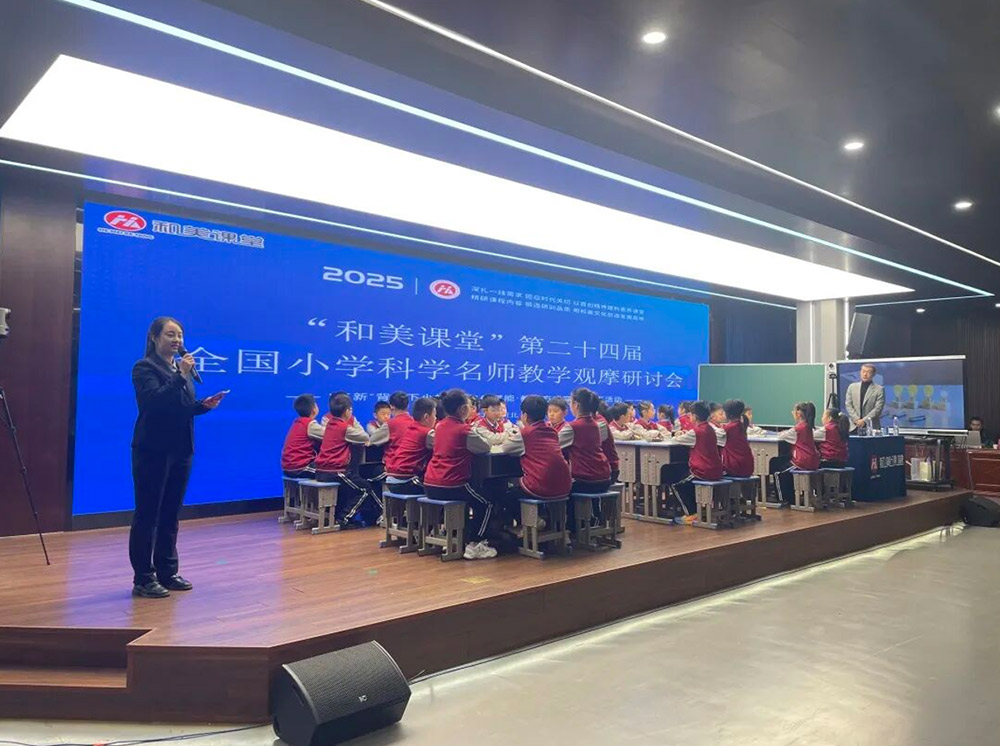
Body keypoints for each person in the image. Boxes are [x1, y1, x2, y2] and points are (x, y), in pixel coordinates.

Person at [130, 317, 226, 599]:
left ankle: (167, 571)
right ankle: (143, 578)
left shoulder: (178, 369)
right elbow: (153, 403)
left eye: (180, 335)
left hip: (181, 450)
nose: (177, 340)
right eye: (170, 334)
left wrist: (202, 406)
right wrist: (181, 375)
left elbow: (179, 407)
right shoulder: (144, 367)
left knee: (171, 513)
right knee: (148, 514)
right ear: (154, 337)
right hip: (153, 450)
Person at [423, 388, 496, 560]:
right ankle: (475, 543)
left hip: (430, 483)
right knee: (487, 503)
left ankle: (450, 533)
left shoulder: (439, 426)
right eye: (470, 406)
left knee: (474, 496)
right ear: (463, 409)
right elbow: (485, 447)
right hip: (452, 484)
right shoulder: (464, 430)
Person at [315, 393, 388, 527]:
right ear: (347, 411)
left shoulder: (330, 424)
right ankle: (343, 519)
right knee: (365, 488)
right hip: (335, 471)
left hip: (323, 469)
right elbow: (364, 436)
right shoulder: (344, 428)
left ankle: (362, 515)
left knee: (358, 484)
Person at [502, 395, 573, 512]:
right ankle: (542, 518)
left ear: (524, 415)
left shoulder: (525, 434)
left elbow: (506, 448)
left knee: (505, 496)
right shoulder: (552, 431)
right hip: (565, 485)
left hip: (541, 487)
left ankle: (533, 521)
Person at [668, 400, 724, 513]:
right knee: (683, 475)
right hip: (716, 469)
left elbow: (675, 440)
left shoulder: (696, 432)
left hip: (702, 471)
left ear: (695, 416)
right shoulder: (710, 429)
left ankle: (691, 513)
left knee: (677, 484)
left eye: (690, 414)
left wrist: (678, 435)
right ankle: (696, 509)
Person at [562, 388, 613, 495]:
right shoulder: (596, 424)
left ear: (576, 405)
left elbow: (553, 445)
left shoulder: (573, 427)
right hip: (605, 477)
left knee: (558, 487)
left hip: (585, 480)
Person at [770, 402, 821, 504]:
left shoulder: (798, 429)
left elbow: (781, 436)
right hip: (813, 460)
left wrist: (782, 432)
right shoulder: (808, 426)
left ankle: (782, 499)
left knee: (778, 473)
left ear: (798, 414)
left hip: (802, 461)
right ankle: (790, 498)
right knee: (785, 468)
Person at [384, 396, 437, 494]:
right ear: (426, 417)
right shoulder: (428, 433)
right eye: (434, 415)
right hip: (407, 481)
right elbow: (444, 448)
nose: (436, 419)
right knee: (436, 488)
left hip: (391, 479)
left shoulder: (411, 428)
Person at [281, 393, 325, 478]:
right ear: (314, 409)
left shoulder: (298, 422)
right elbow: (331, 436)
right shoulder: (310, 424)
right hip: (299, 467)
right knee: (330, 471)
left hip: (289, 467)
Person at [719, 399, 754, 478]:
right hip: (748, 466)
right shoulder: (742, 425)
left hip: (735, 467)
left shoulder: (728, 428)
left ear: (729, 414)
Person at [845, 364, 885, 431]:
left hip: (871, 426)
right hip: (854, 425)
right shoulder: (852, 387)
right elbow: (848, 404)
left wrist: (864, 420)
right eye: (863, 371)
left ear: (873, 374)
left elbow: (878, 408)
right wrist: (856, 419)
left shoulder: (879, 389)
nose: (865, 374)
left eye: (868, 372)